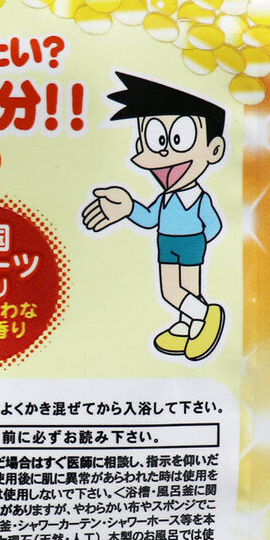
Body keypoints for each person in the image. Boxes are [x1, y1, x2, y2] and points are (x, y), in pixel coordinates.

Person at [81, 71, 227, 360]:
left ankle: (205, 317)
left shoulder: (199, 198)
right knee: (177, 289)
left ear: (214, 149)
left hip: (191, 243)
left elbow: (214, 225)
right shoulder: (165, 199)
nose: (163, 154)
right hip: (167, 242)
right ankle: (188, 325)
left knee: (180, 290)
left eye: (179, 139)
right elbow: (149, 218)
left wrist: (199, 242)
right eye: (156, 140)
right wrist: (128, 208)